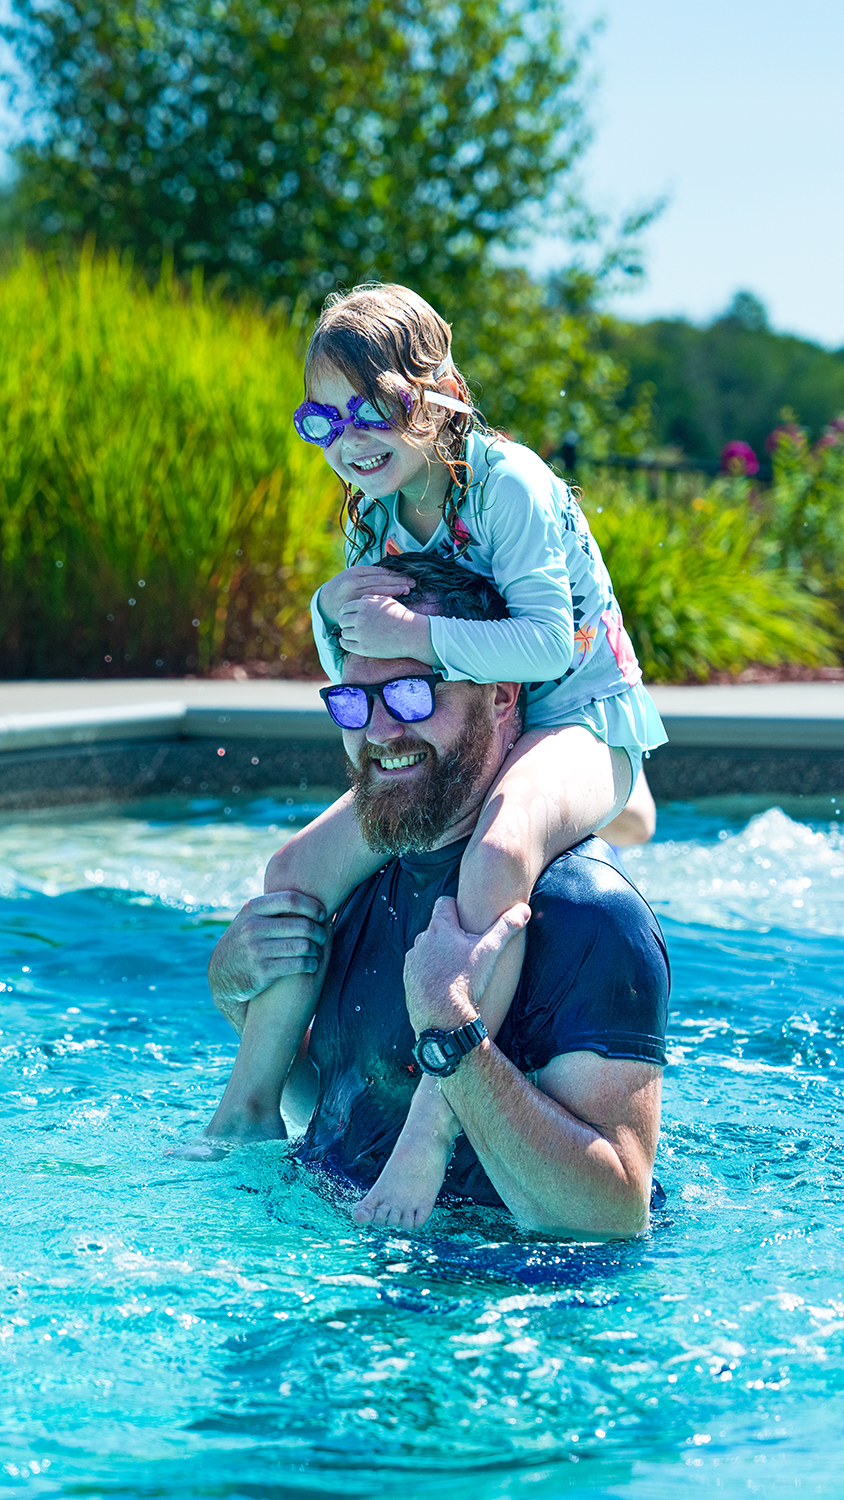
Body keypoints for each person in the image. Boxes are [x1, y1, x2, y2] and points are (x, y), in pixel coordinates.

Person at [198, 283, 667, 1229]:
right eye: (322, 416)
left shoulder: (510, 485)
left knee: (498, 852)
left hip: (580, 720)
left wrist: (420, 629)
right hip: (483, 719)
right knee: (293, 868)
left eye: (377, 406)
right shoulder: (371, 516)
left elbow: (545, 646)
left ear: (440, 391)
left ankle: (428, 1132)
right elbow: (366, 657)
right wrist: (332, 617)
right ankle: (242, 1112)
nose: (350, 435)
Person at [204, 557, 669, 1236]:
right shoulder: (357, 880)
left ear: (502, 697)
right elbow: (348, 1098)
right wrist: (235, 998)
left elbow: (614, 1213)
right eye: (355, 701)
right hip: (345, 1265)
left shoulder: (588, 915)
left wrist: (454, 1037)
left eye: (414, 697)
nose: (382, 731)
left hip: (498, 1307)